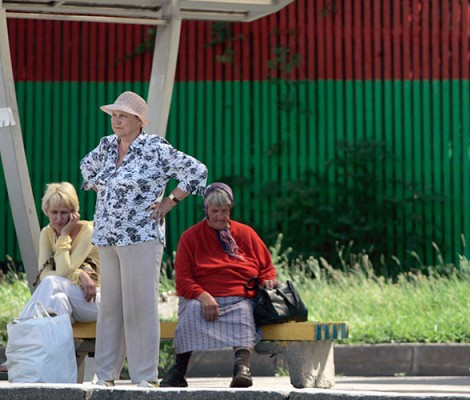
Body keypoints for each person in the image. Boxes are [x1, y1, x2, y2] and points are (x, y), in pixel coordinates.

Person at [80, 90, 208, 388]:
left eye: (122, 115)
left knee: (139, 306)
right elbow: (86, 167)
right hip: (107, 234)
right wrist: (98, 186)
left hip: (141, 235)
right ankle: (105, 375)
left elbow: (196, 171)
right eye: (114, 115)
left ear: (139, 121)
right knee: (110, 305)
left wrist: (170, 202)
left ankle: (144, 377)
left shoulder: (154, 147)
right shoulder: (107, 146)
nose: (116, 120)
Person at [159, 182, 277, 388]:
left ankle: (242, 368)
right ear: (206, 210)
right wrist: (203, 296)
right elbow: (183, 280)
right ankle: (178, 370)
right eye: (215, 211)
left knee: (243, 312)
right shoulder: (190, 237)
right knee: (191, 313)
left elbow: (266, 266)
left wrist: (267, 278)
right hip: (201, 297)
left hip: (239, 297)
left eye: (225, 211)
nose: (221, 216)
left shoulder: (246, 233)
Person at [0, 182, 100, 373]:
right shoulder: (46, 232)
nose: (60, 219)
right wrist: (79, 274)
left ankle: (16, 353)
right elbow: (45, 272)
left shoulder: (88, 230)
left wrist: (64, 236)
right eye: (55, 212)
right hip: (70, 298)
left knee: (52, 283)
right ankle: (56, 371)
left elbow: (61, 273)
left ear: (75, 212)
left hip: (95, 300)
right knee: (57, 300)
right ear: (46, 211)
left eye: (65, 212)